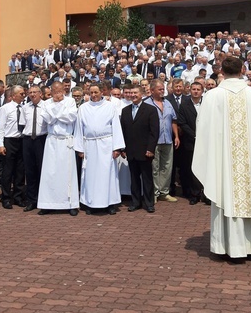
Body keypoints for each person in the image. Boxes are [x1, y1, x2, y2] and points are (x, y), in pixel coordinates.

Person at [192, 56, 251, 259]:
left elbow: (203, 131)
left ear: (221, 71)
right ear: (242, 69)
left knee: (225, 193)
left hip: (224, 165)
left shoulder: (212, 96)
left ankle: (228, 246)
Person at [74, 83, 125, 215]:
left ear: (102, 92)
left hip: (106, 145)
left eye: (96, 92)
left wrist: (117, 148)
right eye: (91, 93)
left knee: (108, 174)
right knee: (90, 175)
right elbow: (79, 129)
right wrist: (80, 149)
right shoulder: (83, 108)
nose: (94, 95)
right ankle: (90, 203)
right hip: (89, 145)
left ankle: (110, 203)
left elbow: (116, 127)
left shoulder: (110, 107)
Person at [37, 81, 79, 216]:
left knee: (68, 173)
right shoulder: (46, 103)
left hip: (66, 140)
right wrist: (59, 113)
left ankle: (70, 204)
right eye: (54, 92)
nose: (57, 94)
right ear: (51, 91)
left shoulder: (71, 101)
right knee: (49, 173)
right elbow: (48, 119)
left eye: (60, 91)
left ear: (64, 90)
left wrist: (56, 113)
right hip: (52, 140)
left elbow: (70, 118)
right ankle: (47, 203)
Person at [120, 84, 159, 213]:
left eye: (136, 93)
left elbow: (154, 132)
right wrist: (123, 148)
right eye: (131, 93)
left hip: (145, 151)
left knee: (147, 178)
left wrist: (151, 148)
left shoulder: (150, 110)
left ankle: (149, 203)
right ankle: (135, 202)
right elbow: (123, 131)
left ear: (142, 94)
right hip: (131, 150)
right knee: (134, 179)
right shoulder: (125, 110)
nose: (133, 95)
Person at [145, 79, 180, 203]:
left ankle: (164, 192)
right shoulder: (147, 104)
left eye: (163, 89)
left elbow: (174, 120)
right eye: (159, 89)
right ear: (152, 90)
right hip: (154, 141)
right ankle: (154, 193)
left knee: (166, 167)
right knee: (154, 167)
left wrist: (176, 136)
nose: (162, 91)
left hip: (168, 139)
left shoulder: (168, 103)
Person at [0, 86, 26, 209]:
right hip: (9, 141)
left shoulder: (24, 108)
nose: (23, 96)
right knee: (7, 171)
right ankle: (6, 197)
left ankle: (18, 196)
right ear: (13, 95)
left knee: (20, 171)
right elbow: (1, 128)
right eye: (21, 94)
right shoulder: (5, 109)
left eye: (24, 94)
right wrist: (1, 144)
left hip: (21, 140)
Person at [21, 85, 48, 211]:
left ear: (40, 94)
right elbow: (22, 125)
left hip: (41, 140)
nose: (32, 95)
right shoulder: (25, 107)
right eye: (30, 92)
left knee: (42, 169)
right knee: (30, 170)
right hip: (28, 140)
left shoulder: (47, 106)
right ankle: (32, 199)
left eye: (35, 92)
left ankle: (43, 199)